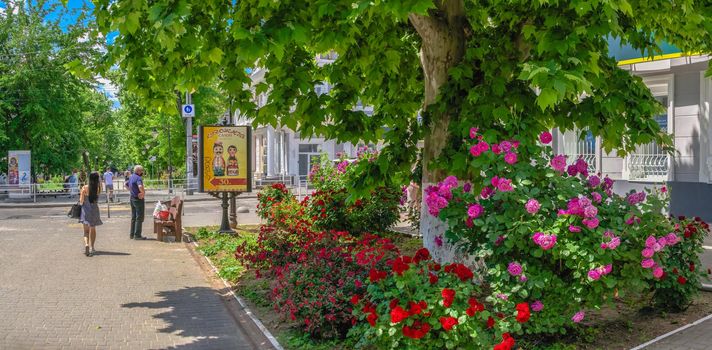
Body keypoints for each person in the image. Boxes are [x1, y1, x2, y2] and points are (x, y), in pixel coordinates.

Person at [79, 172, 103, 256]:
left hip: (86, 210)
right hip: (95, 210)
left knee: (86, 231)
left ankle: (86, 245)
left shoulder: (84, 187)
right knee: (93, 229)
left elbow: (81, 201)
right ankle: (92, 247)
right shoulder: (99, 188)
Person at [128, 165, 147, 240]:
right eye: (141, 170)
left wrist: (132, 191)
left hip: (132, 198)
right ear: (138, 171)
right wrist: (143, 193)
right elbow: (140, 186)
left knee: (134, 217)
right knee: (139, 217)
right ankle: (137, 235)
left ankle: (132, 234)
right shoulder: (138, 178)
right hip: (138, 200)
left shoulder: (131, 177)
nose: (142, 172)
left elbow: (126, 184)